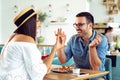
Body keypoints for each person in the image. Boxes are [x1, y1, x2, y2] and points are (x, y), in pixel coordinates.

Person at [0, 6, 64, 80]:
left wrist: (43, 69)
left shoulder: (12, 38)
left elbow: (34, 68)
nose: (39, 25)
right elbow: (38, 75)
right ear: (30, 23)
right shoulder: (27, 40)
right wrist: (55, 48)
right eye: (37, 21)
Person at [56, 12, 108, 80]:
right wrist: (60, 47)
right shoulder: (73, 39)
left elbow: (95, 67)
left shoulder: (101, 40)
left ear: (90, 25)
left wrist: (92, 48)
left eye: (80, 24)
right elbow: (62, 61)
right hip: (78, 76)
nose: (77, 28)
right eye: (76, 25)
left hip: (96, 77)